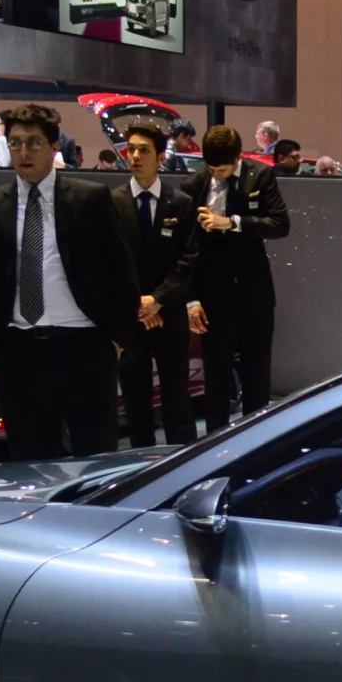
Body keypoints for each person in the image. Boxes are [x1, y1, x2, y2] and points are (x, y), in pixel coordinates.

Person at [0, 104, 138, 462]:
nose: (24, 152)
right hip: (17, 352)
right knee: (30, 465)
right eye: (15, 143)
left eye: (34, 143)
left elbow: (123, 274)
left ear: (55, 145)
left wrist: (116, 340)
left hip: (84, 349)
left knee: (96, 461)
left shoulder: (90, 199)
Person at [184, 122, 290, 419]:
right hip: (212, 297)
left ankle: (256, 446)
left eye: (223, 169)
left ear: (237, 158)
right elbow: (186, 248)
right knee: (216, 380)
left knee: (257, 375)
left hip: (253, 292)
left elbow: (280, 224)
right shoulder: (194, 185)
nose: (217, 174)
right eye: (212, 169)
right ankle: (215, 448)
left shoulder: (261, 175)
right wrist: (190, 300)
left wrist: (233, 222)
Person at [114, 125, 205, 447]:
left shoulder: (180, 203)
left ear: (161, 157)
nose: (135, 156)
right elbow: (110, 261)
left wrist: (158, 299)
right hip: (130, 317)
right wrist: (140, 303)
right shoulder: (111, 202)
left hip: (171, 313)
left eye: (144, 150)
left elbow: (188, 258)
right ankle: (137, 468)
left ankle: (185, 461)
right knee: (135, 397)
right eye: (131, 149)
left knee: (177, 395)